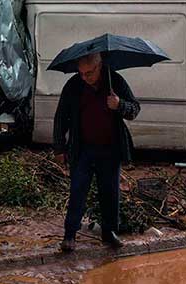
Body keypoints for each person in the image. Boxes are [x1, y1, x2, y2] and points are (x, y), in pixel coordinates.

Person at [53, 52, 140, 252]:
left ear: (99, 66)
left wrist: (119, 105)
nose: (85, 77)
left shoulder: (115, 80)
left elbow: (134, 109)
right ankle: (69, 235)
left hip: (110, 148)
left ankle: (109, 232)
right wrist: (59, 147)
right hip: (82, 148)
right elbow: (61, 117)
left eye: (89, 73)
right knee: (77, 190)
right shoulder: (73, 85)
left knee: (110, 192)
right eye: (81, 73)